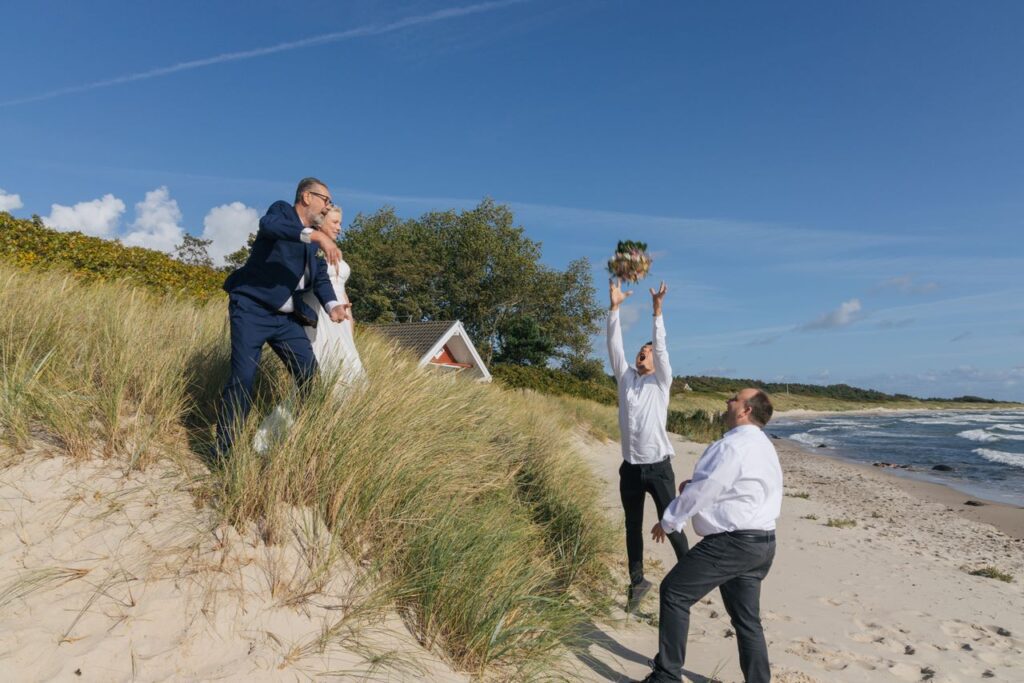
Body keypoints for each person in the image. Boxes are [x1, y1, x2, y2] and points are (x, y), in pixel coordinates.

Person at [634, 388, 782, 683]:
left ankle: (666, 676)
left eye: (734, 399)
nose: (727, 401)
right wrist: (693, 488)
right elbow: (742, 490)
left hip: (732, 543)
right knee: (747, 621)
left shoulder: (732, 446)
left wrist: (669, 520)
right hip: (763, 543)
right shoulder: (764, 446)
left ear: (745, 411)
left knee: (674, 592)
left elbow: (707, 489)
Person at [215, 177, 348, 457]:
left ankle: (295, 445)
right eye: (326, 200)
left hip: (286, 321)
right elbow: (270, 226)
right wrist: (317, 236)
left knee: (311, 379)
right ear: (306, 196)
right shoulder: (282, 213)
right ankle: (224, 453)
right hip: (251, 309)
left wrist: (333, 306)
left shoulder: (312, 239)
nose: (328, 207)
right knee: (243, 378)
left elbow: (320, 278)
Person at [607, 278, 689, 612]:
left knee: (672, 525)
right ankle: (637, 582)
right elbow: (614, 346)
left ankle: (690, 575)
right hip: (630, 469)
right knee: (632, 527)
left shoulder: (661, 382)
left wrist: (657, 312)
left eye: (649, 350)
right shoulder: (626, 379)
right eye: (642, 349)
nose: (644, 351)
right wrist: (615, 309)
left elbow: (663, 348)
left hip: (658, 469)